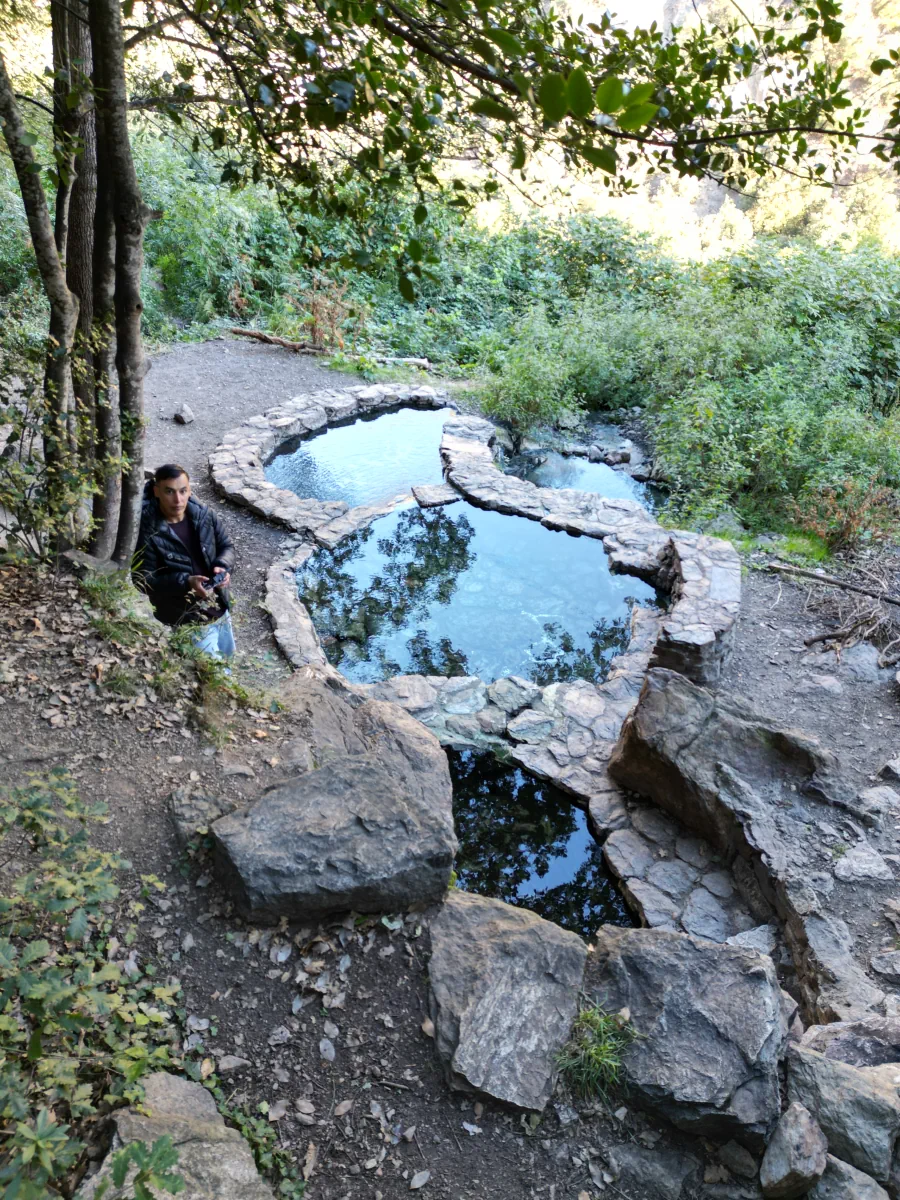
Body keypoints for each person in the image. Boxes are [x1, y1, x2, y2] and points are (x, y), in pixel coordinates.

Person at [134, 463, 236, 659]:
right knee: (213, 675)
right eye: (169, 492)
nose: (178, 499)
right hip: (186, 618)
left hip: (220, 607)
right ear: (156, 492)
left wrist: (222, 566)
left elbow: (227, 546)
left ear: (190, 489)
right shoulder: (146, 530)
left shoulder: (204, 514)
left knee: (227, 656)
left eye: (183, 491)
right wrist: (186, 582)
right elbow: (142, 579)